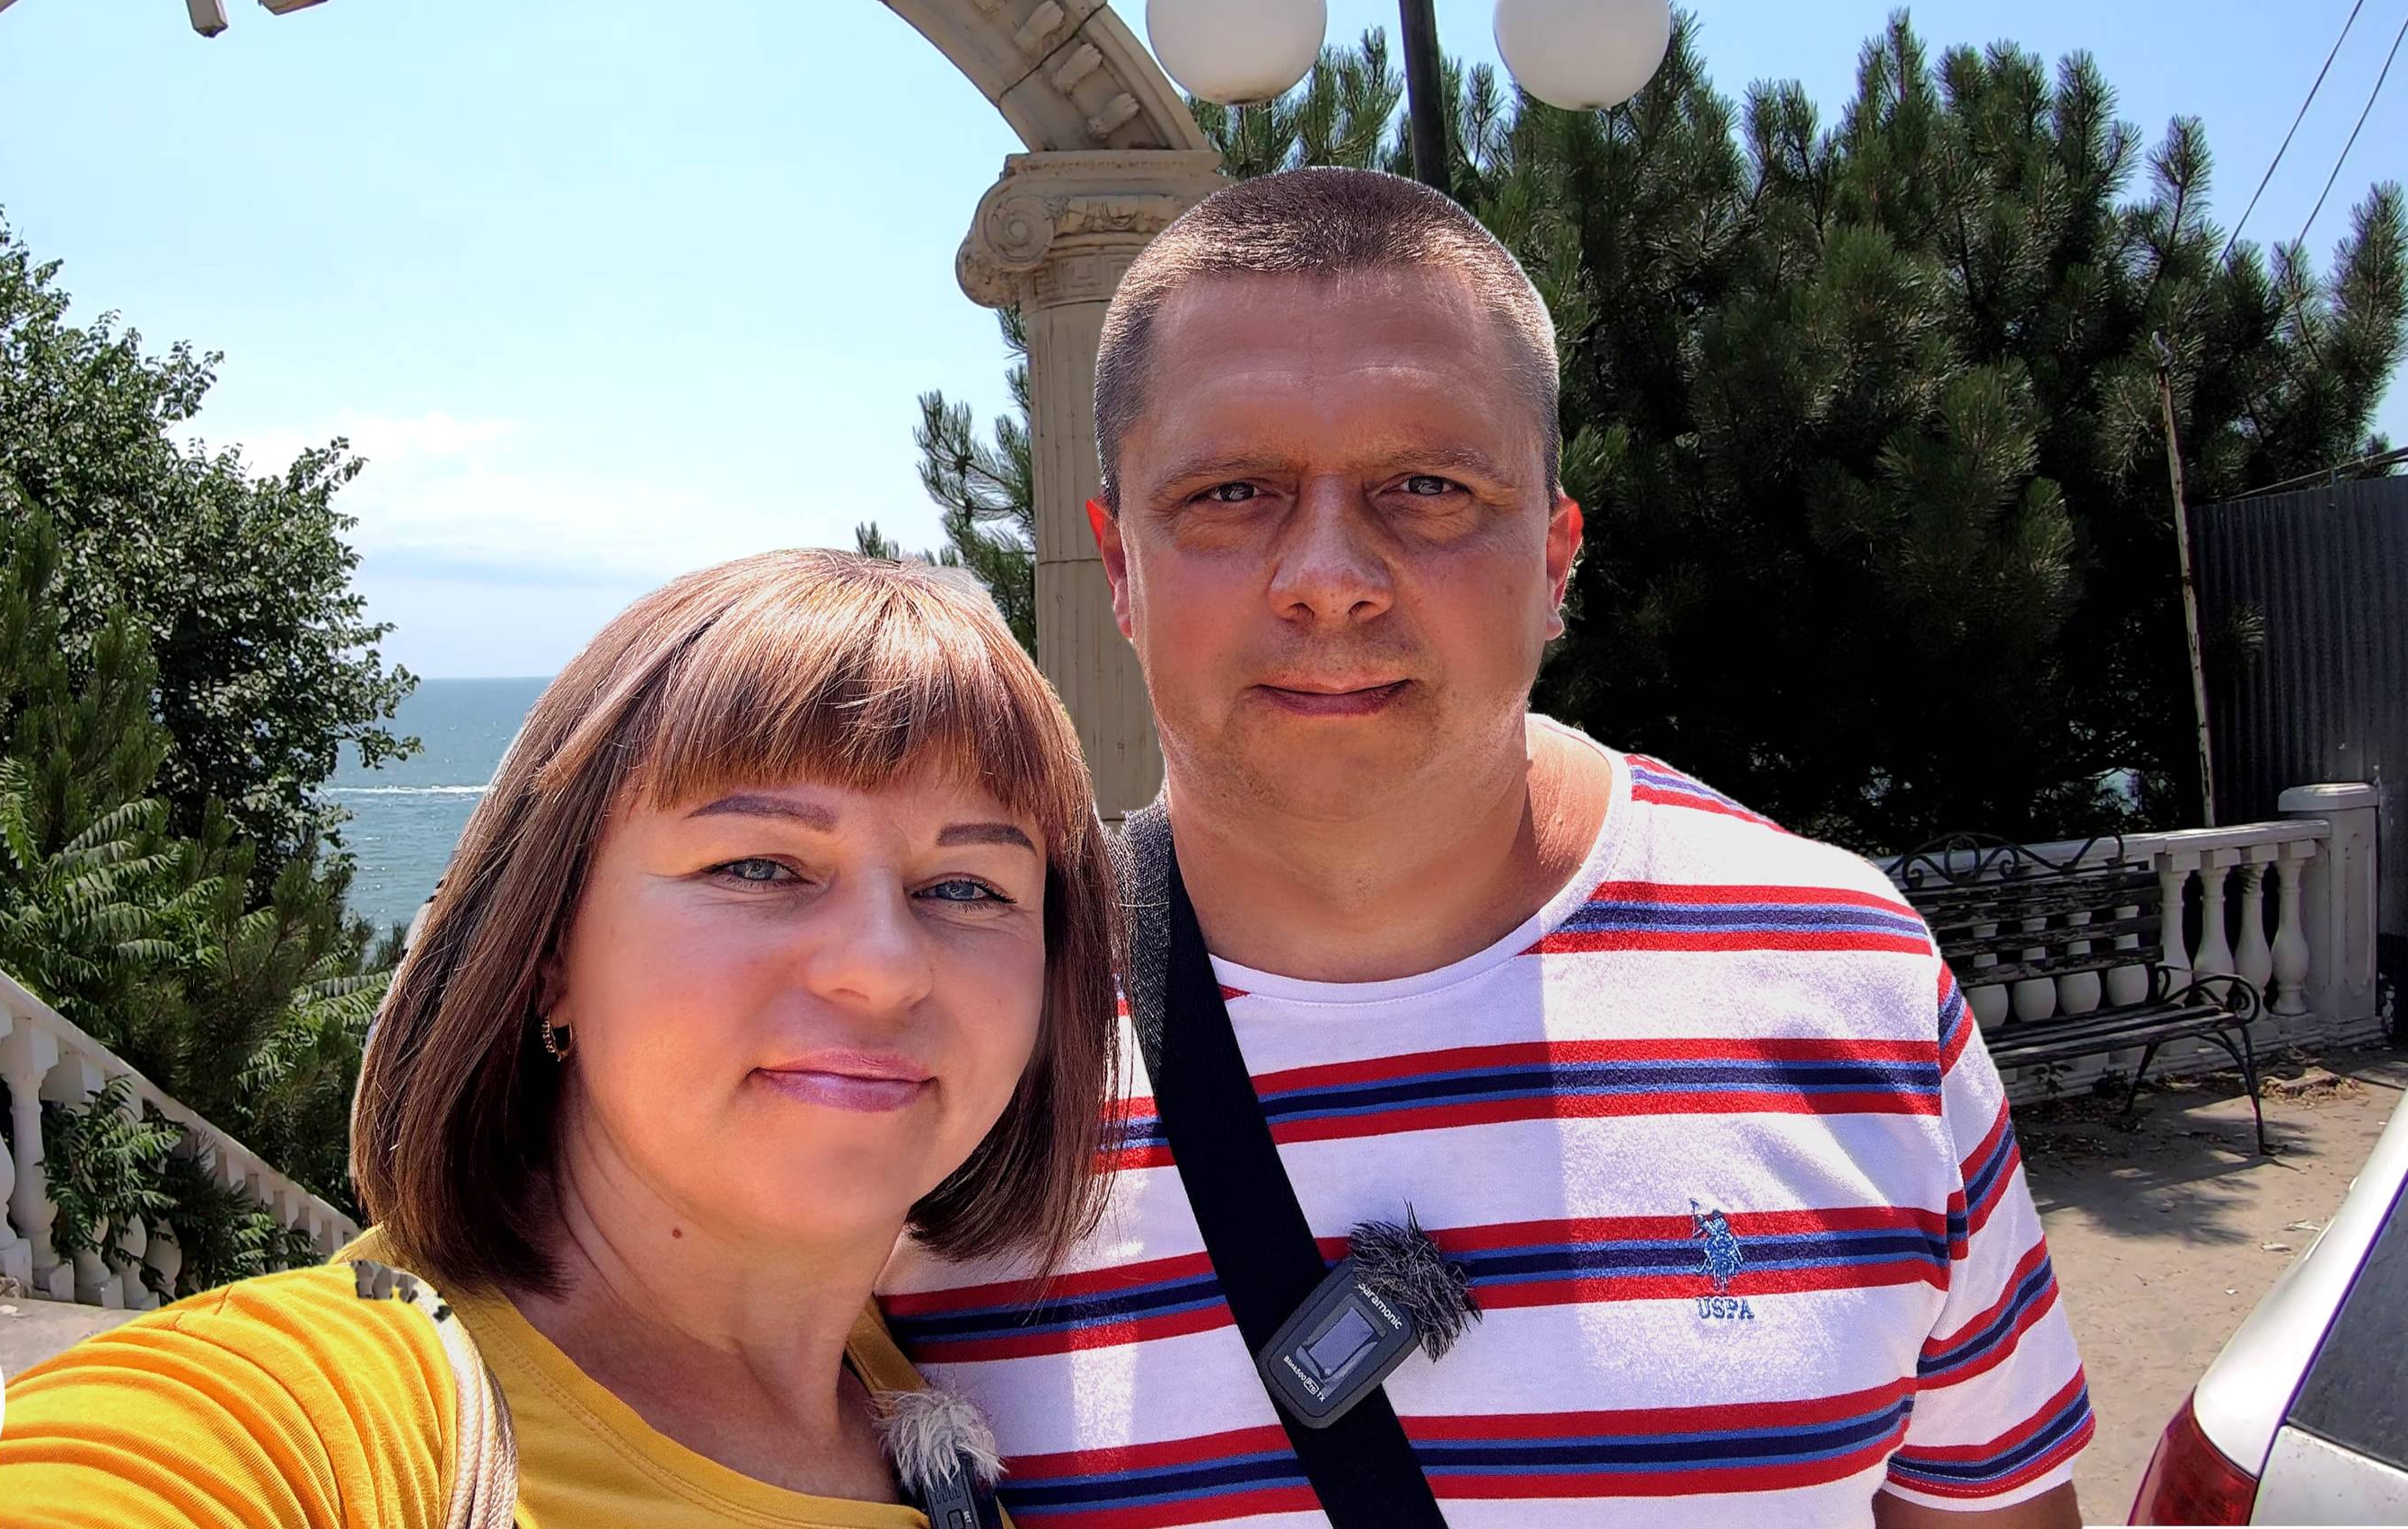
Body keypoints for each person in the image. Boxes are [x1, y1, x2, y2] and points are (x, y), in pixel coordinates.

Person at [879, 170, 2092, 1528]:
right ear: (1119, 566)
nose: (1329, 577)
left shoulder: (1846, 973)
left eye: (1428, 486)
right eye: (1230, 491)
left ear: (1557, 556)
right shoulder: (938, 1037)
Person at [0, 549, 1121, 1528]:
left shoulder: (939, 1410)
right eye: (758, 866)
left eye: (969, 887)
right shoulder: (319, 1418)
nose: (883, 965)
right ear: (550, 955)